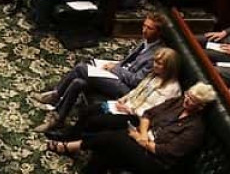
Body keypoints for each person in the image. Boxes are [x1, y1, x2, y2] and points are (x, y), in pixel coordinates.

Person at [46, 82, 216, 174]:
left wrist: (141, 140)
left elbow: (165, 151)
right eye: (187, 95)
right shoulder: (177, 102)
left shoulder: (195, 129)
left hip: (155, 160)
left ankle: (71, 147)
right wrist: (142, 135)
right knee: (113, 131)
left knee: (115, 139)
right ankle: (92, 171)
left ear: (200, 106)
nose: (186, 100)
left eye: (192, 100)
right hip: (144, 137)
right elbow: (148, 114)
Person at [33, 13, 167, 132]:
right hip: (118, 76)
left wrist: (115, 69)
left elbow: (136, 81)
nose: (144, 30)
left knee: (81, 68)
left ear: (159, 32)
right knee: (78, 82)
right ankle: (58, 119)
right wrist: (113, 66)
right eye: (144, 26)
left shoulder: (157, 54)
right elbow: (128, 63)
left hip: (127, 90)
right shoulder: (145, 40)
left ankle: (56, 95)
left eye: (149, 28)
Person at [47, 47, 182, 141]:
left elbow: (155, 113)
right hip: (125, 106)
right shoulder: (153, 76)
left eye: (159, 64)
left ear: (169, 67)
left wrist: (131, 110)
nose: (155, 65)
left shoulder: (172, 90)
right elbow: (137, 91)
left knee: (95, 119)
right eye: (155, 62)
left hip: (136, 118)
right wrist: (124, 99)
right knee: (88, 110)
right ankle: (71, 135)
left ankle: (70, 139)